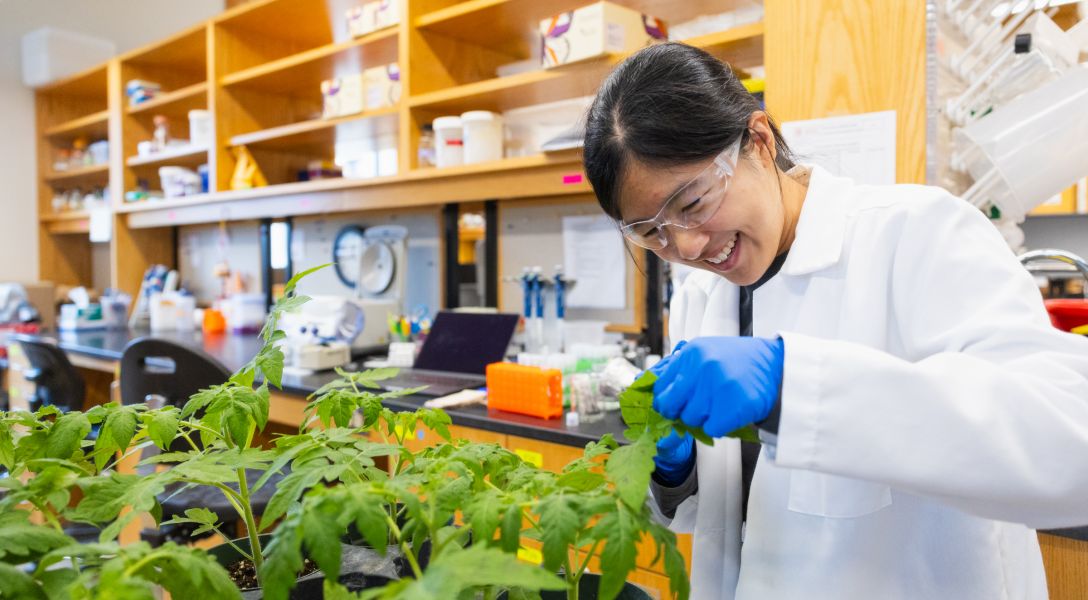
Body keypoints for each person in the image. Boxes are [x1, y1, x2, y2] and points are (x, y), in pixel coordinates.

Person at [583, 42, 1088, 600]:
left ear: (758, 139)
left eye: (694, 203)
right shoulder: (699, 293)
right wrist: (677, 475)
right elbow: (736, 510)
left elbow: (1070, 440)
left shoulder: (919, 233)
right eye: (651, 231)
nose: (687, 245)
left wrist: (795, 387)